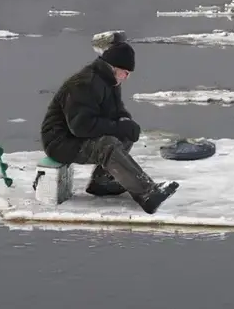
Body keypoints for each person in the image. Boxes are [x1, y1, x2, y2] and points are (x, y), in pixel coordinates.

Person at [40, 41, 178, 214]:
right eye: (125, 73)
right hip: (60, 141)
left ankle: (103, 182)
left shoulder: (110, 82)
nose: (126, 77)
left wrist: (125, 121)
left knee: (125, 133)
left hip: (77, 135)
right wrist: (117, 127)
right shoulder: (84, 84)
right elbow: (80, 126)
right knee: (107, 145)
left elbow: (116, 111)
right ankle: (147, 193)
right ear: (114, 67)